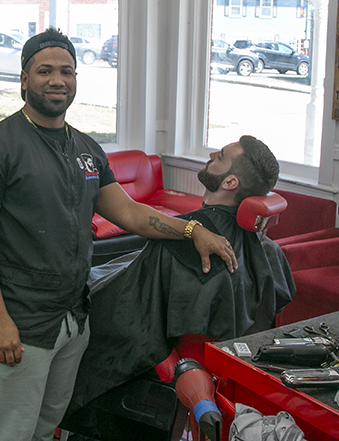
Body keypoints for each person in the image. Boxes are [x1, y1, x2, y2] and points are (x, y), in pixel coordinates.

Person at [0, 27, 238, 441]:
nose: (57, 80)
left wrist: (192, 229)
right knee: (10, 431)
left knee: (50, 421)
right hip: (22, 316)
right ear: (23, 80)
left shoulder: (86, 149)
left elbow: (127, 212)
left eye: (66, 71)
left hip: (73, 317)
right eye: (45, 71)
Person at [62, 135, 296, 425]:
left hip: (173, 361)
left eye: (221, 156)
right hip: (232, 366)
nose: (211, 154)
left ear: (230, 182)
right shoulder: (267, 248)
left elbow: (133, 311)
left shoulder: (182, 242)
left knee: (74, 311)